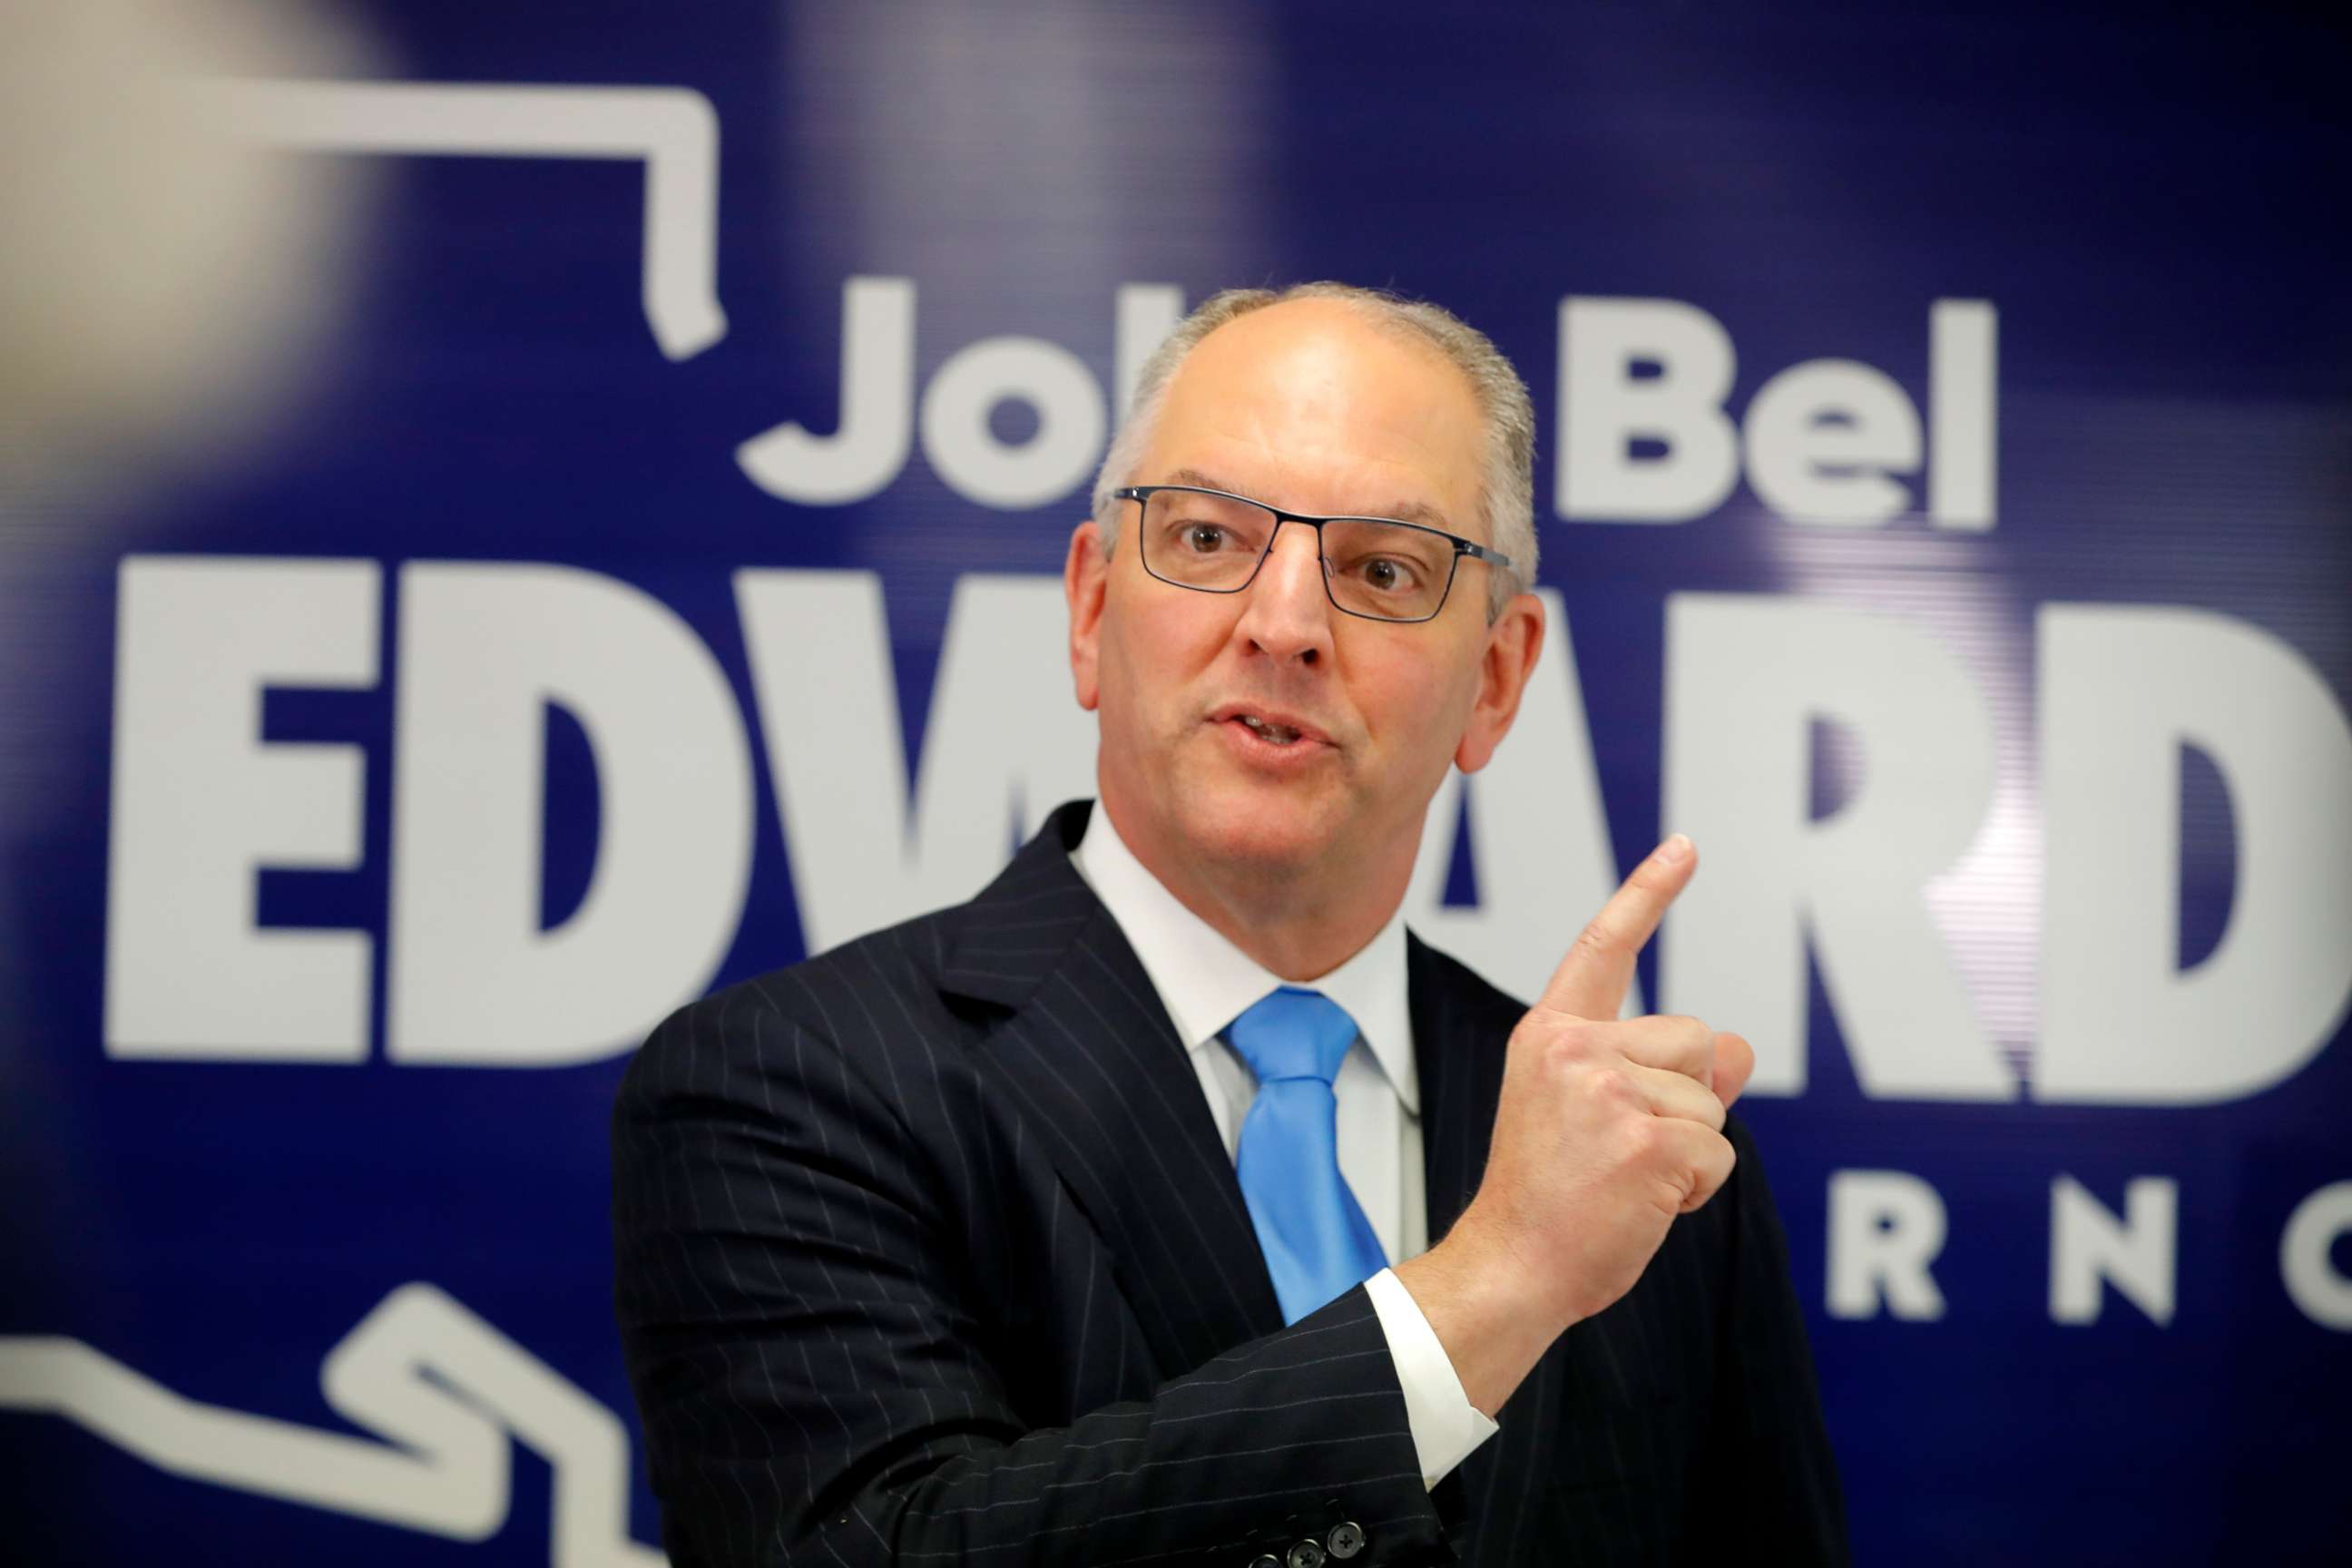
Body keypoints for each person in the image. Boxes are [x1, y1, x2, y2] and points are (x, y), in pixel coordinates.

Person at [612, 282, 1847, 1567]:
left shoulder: (1636, 1156)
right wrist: (1494, 1285)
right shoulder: (786, 1085)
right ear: (1090, 611)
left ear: (1495, 679)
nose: (1285, 626)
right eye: (1207, 540)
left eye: (1381, 568)